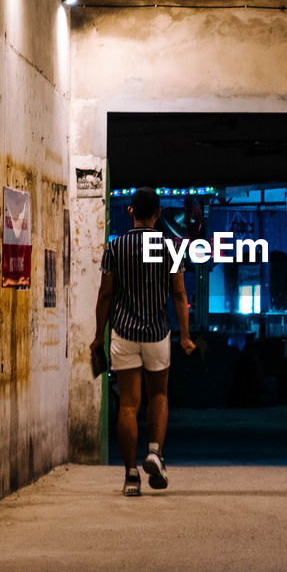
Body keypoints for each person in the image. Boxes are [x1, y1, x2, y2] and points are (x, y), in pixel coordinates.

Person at [91, 188, 196, 497]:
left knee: (127, 403)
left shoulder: (115, 248)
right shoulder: (170, 247)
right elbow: (179, 294)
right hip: (156, 334)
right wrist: (186, 335)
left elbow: (106, 295)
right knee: (159, 394)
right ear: (158, 213)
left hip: (124, 333)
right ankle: (154, 452)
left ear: (130, 211)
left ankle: (130, 476)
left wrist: (99, 335)